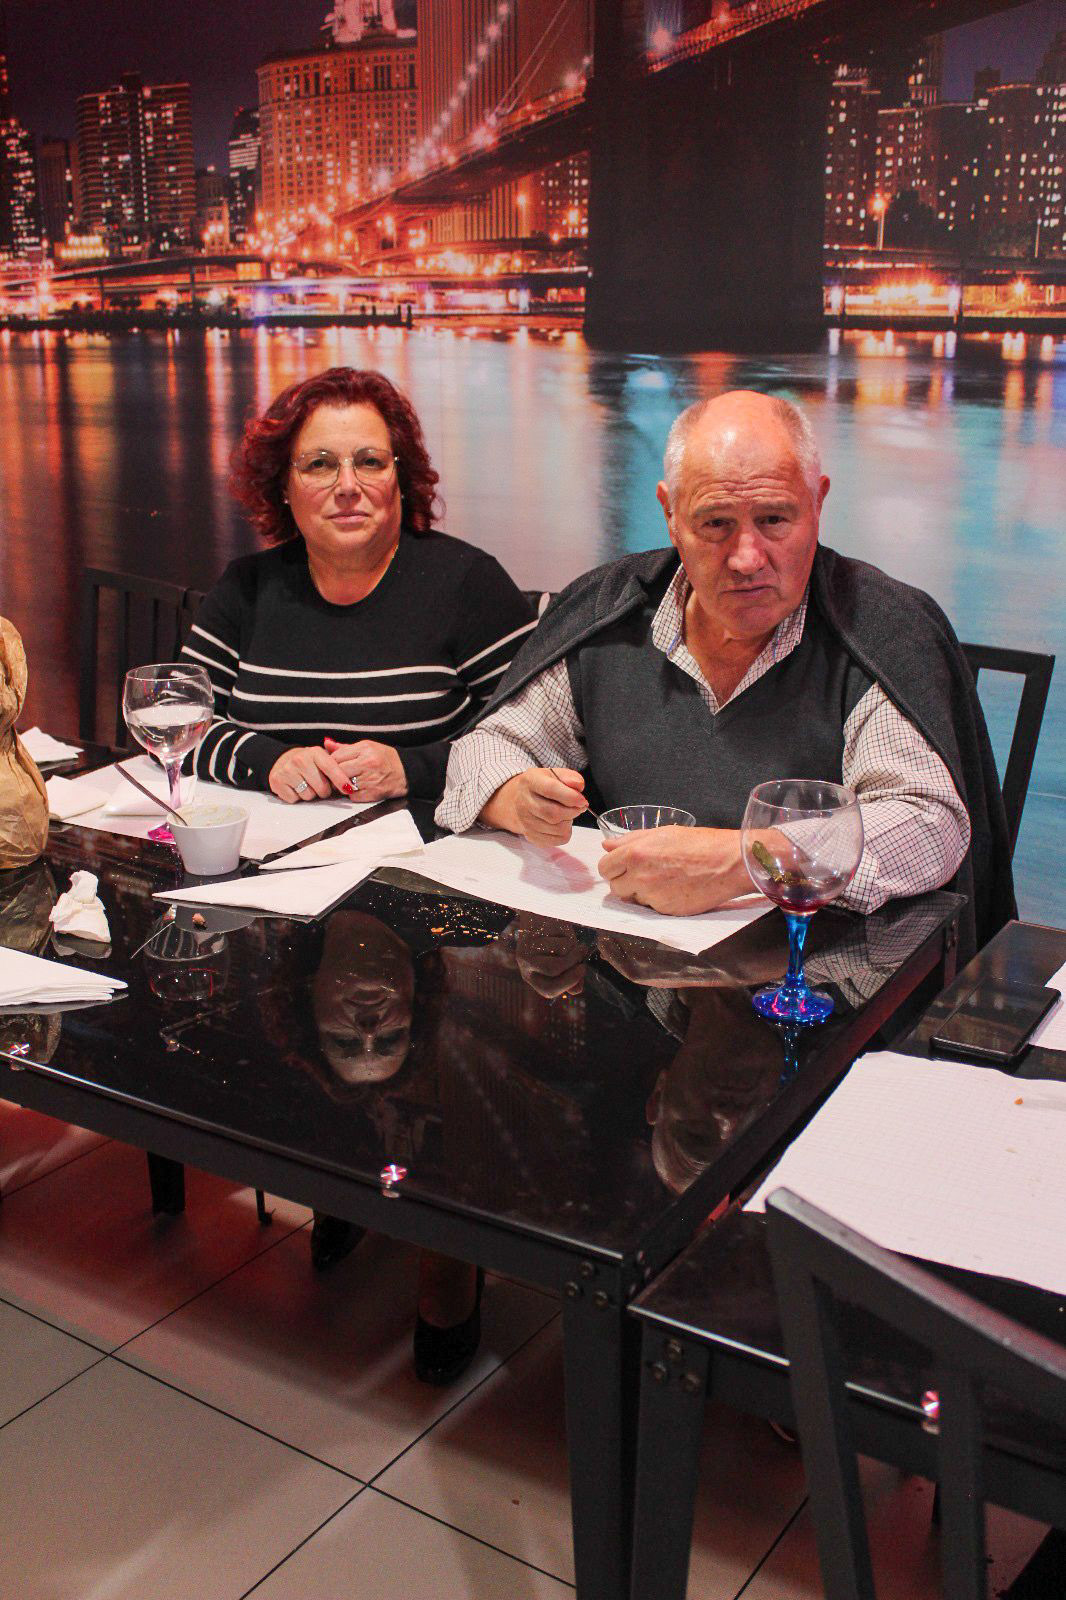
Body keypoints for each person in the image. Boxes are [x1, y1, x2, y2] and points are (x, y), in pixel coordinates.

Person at [437, 390, 1014, 961]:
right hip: (631, 965)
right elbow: (487, 747)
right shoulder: (609, 615)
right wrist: (514, 797)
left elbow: (925, 822)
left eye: (774, 519)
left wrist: (745, 861)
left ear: (818, 502)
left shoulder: (878, 629)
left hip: (822, 978)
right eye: (715, 523)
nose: (746, 558)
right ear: (670, 514)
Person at [181, 366, 536, 804]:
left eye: (370, 462)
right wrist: (269, 762)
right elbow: (178, 726)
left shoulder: (470, 583)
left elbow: (536, 740)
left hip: (429, 842)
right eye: (319, 464)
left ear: (400, 479)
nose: (347, 486)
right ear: (283, 486)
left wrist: (410, 771)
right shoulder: (245, 587)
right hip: (266, 843)